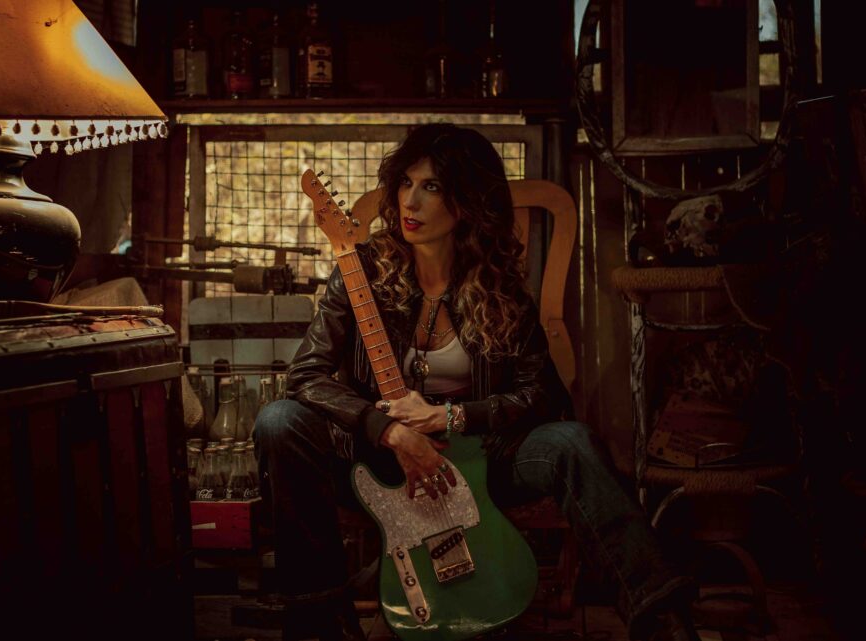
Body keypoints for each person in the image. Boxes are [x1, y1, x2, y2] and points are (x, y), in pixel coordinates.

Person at [254, 123, 699, 641]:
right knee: (279, 421)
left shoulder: (497, 284)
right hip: (378, 459)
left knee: (572, 442)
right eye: (406, 183)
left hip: (480, 456)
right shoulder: (362, 270)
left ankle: (661, 616)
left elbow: (543, 394)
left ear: (467, 202)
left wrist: (453, 416)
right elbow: (306, 376)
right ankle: (319, 618)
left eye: (432, 187)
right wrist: (386, 429)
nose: (410, 202)